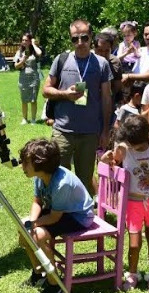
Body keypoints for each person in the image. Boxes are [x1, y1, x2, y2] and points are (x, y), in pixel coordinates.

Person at [18, 138, 95, 293]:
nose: (21, 166)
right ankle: (38, 273)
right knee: (23, 228)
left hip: (78, 216)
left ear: (40, 165)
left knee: (37, 236)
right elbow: (37, 201)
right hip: (60, 211)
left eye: (25, 163)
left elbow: (54, 218)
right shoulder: (41, 176)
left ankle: (55, 286)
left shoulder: (61, 184)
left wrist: (34, 225)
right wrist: (30, 222)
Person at [44, 19, 113, 195]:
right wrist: (65, 94)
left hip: (90, 132)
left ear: (91, 37)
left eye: (84, 37)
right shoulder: (61, 60)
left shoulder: (102, 63)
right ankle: (59, 215)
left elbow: (106, 98)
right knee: (58, 177)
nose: (80, 43)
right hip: (63, 130)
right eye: (75, 39)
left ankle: (82, 217)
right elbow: (46, 90)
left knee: (84, 179)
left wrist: (105, 130)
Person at [100, 116, 149, 293]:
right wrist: (106, 161)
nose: (130, 145)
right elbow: (114, 166)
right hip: (132, 202)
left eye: (133, 143)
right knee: (134, 243)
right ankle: (132, 274)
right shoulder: (123, 148)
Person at [13, 32, 43, 124]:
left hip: (34, 77)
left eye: (26, 40)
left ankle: (33, 119)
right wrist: (23, 60)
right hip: (23, 77)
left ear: (30, 41)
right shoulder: (20, 52)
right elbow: (16, 66)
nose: (24, 42)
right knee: (24, 99)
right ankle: (25, 119)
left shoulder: (34, 50)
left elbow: (40, 53)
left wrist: (34, 44)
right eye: (23, 40)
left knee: (33, 99)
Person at [94, 32, 124, 112]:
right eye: (100, 50)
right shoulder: (87, 61)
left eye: (107, 50)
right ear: (94, 48)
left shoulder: (115, 62)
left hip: (108, 105)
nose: (103, 54)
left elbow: (117, 87)